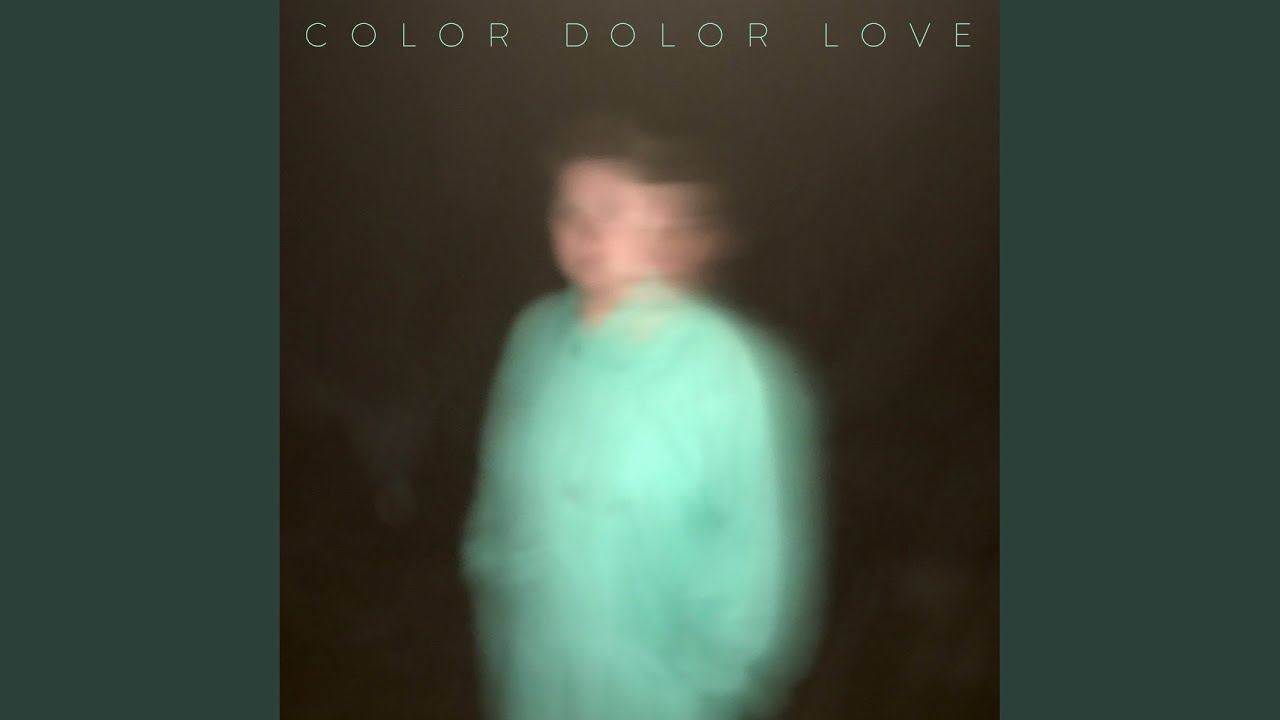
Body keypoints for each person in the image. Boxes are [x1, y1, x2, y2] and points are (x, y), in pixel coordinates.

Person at [460, 116, 825, 720]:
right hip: (533, 678)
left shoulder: (731, 367)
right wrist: (492, 585)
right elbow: (497, 501)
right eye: (567, 211)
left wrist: (713, 689)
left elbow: (761, 566)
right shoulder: (534, 335)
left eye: (610, 209)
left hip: (660, 695)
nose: (585, 231)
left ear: (662, 219)